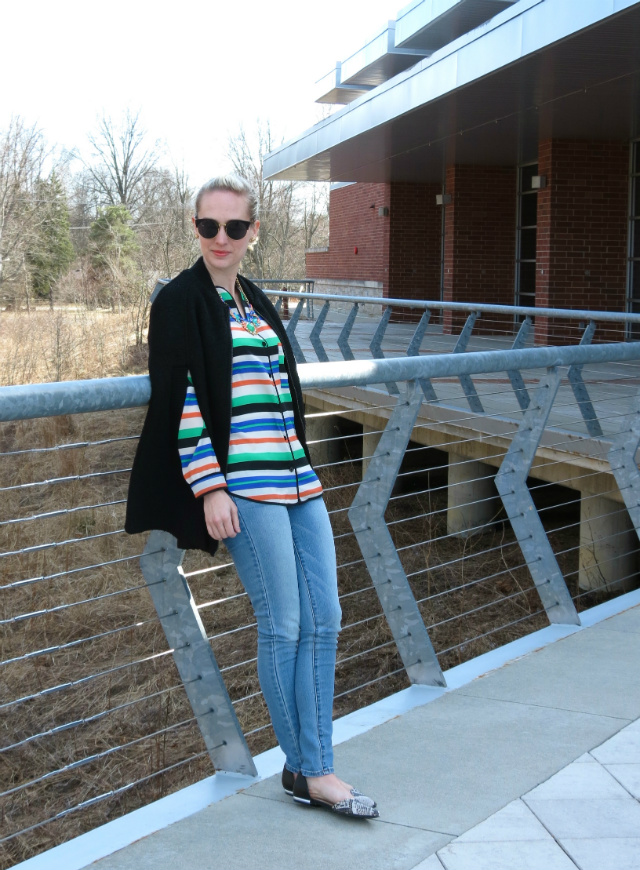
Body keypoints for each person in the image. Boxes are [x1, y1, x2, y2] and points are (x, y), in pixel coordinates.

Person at [125, 173, 378, 819]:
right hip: (247, 488)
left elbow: (282, 394)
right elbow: (180, 400)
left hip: (299, 478)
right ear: (195, 227)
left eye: (234, 227)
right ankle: (312, 769)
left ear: (252, 233)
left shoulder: (254, 300)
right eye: (208, 226)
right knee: (285, 625)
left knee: (327, 619)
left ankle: (309, 763)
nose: (221, 237)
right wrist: (210, 487)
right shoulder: (179, 300)